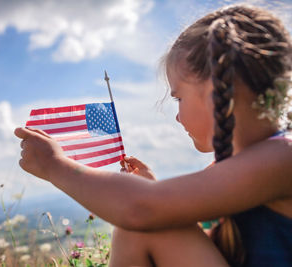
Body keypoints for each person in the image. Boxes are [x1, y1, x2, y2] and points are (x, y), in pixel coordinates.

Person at [15, 4, 292, 267]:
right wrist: (155, 191)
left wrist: (56, 166)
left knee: (142, 227)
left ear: (217, 92)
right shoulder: (246, 163)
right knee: (145, 228)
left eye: (178, 98)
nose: (178, 116)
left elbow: (140, 210)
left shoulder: (282, 157)